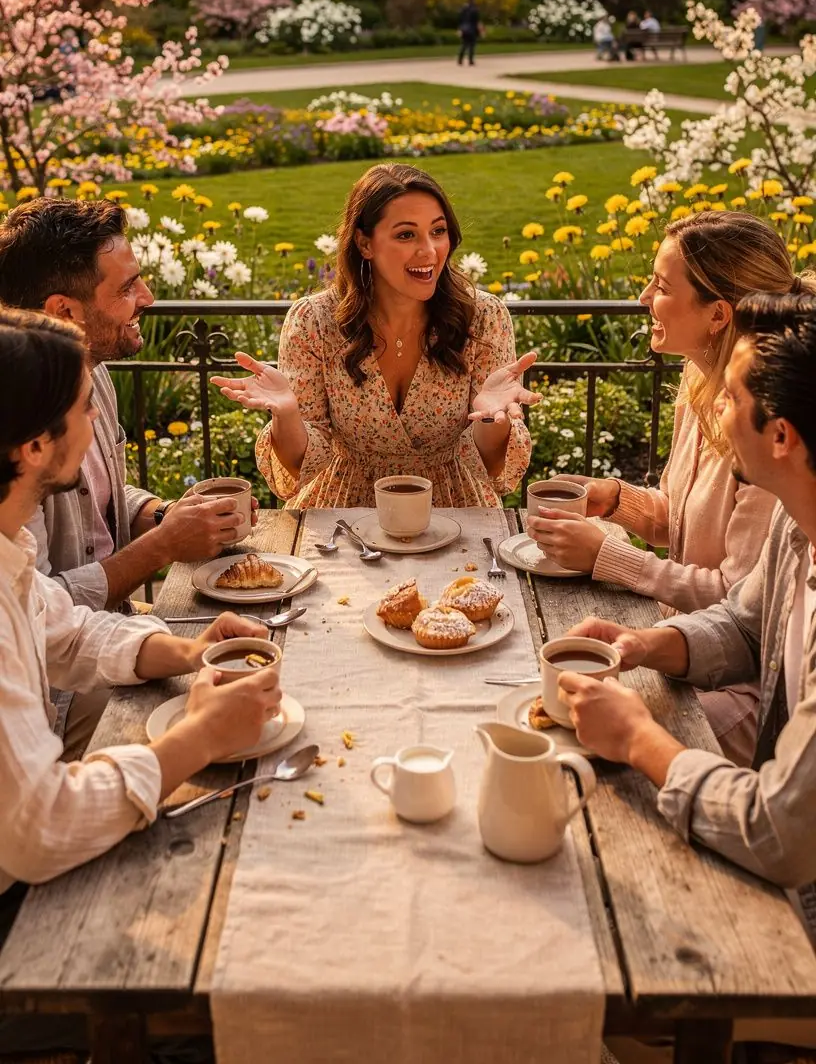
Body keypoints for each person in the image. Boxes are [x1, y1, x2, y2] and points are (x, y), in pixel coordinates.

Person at [558, 291, 816, 983]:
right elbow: (743, 622)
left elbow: (781, 834)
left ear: (783, 434)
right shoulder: (801, 524)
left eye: (730, 400)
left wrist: (638, 739)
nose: (718, 416)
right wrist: (648, 643)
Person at [0, 306, 281, 893]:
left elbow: (69, 630)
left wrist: (188, 650)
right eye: (83, 408)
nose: (96, 416)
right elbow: (38, 828)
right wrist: (200, 737)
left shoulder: (12, 547)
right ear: (33, 447)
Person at [528, 211, 816, 764]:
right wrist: (616, 501)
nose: (642, 298)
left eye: (660, 286)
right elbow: (704, 549)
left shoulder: (768, 436)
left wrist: (609, 559)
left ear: (717, 315)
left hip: (746, 697)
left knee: (575, 740)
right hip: (694, 649)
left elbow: (736, 593)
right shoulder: (702, 383)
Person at [212, 163, 535, 508]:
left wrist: (491, 418)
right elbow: (298, 467)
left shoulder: (483, 317)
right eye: (406, 235)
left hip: (453, 509)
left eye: (438, 231)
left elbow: (487, 466)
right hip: (343, 513)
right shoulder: (314, 321)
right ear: (365, 244)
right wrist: (288, 414)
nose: (429, 251)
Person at [0, 199, 251, 618]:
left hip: (118, 629)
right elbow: (40, 614)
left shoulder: (91, 373)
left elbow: (99, 504)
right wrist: (164, 545)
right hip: (68, 676)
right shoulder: (19, 424)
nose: (148, 298)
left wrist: (168, 515)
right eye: (127, 287)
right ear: (64, 311)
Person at [457, 0, 481, 66]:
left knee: (464, 44)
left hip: (464, 28)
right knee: (472, 45)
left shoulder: (464, 9)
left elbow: (460, 19)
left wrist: (460, 28)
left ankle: (460, 59)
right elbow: (477, 21)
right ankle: (470, 60)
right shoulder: (475, 9)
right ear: (473, 0)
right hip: (472, 29)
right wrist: (479, 30)